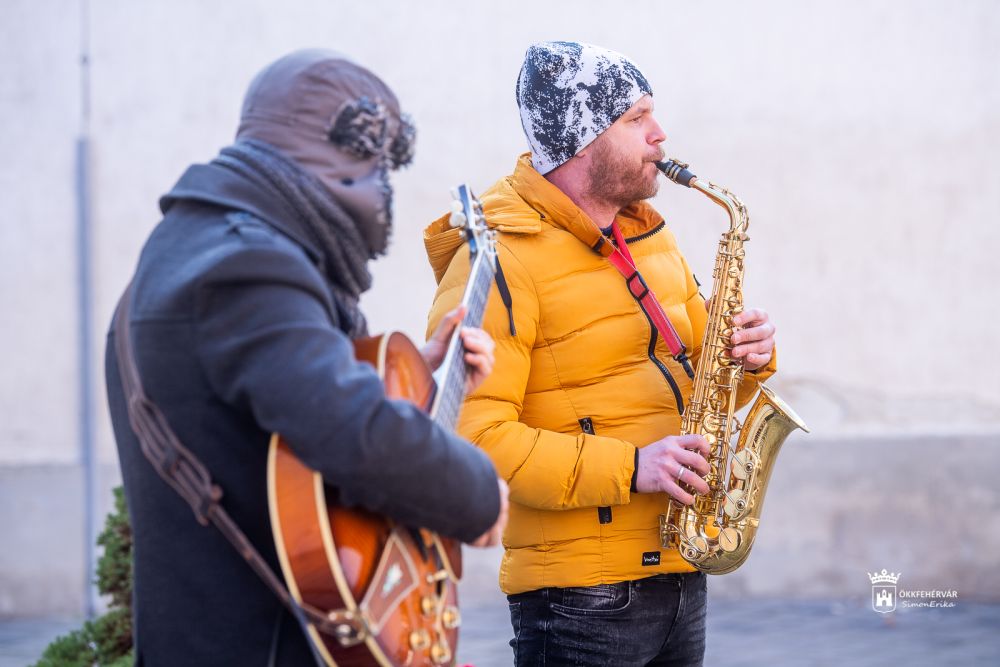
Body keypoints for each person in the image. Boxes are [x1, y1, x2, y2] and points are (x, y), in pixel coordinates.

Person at [105, 49, 508, 666]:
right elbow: (354, 433)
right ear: (342, 156)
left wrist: (420, 374)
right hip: (258, 646)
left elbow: (283, 415)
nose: (384, 191)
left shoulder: (196, 246)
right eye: (379, 168)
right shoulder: (246, 266)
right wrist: (477, 495)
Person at [424, 41, 778, 666]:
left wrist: (748, 361)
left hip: (679, 568)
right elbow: (470, 441)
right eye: (636, 119)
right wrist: (632, 467)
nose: (660, 135)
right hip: (578, 597)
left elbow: (705, 390)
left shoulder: (648, 236)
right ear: (582, 141)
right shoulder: (497, 260)